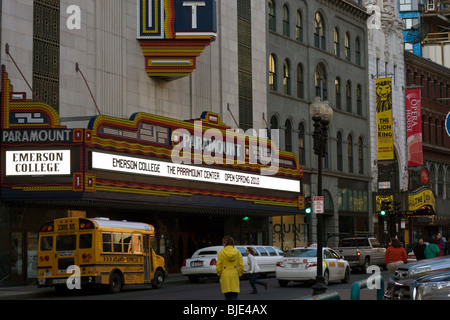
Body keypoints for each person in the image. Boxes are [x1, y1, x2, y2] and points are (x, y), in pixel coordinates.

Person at [216, 236, 244, 300]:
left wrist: (219, 273)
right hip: (234, 274)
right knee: (234, 296)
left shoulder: (221, 253)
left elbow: (218, 266)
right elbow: (241, 265)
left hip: (225, 275)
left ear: (224, 243)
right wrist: (239, 274)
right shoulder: (237, 252)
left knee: (227, 297)